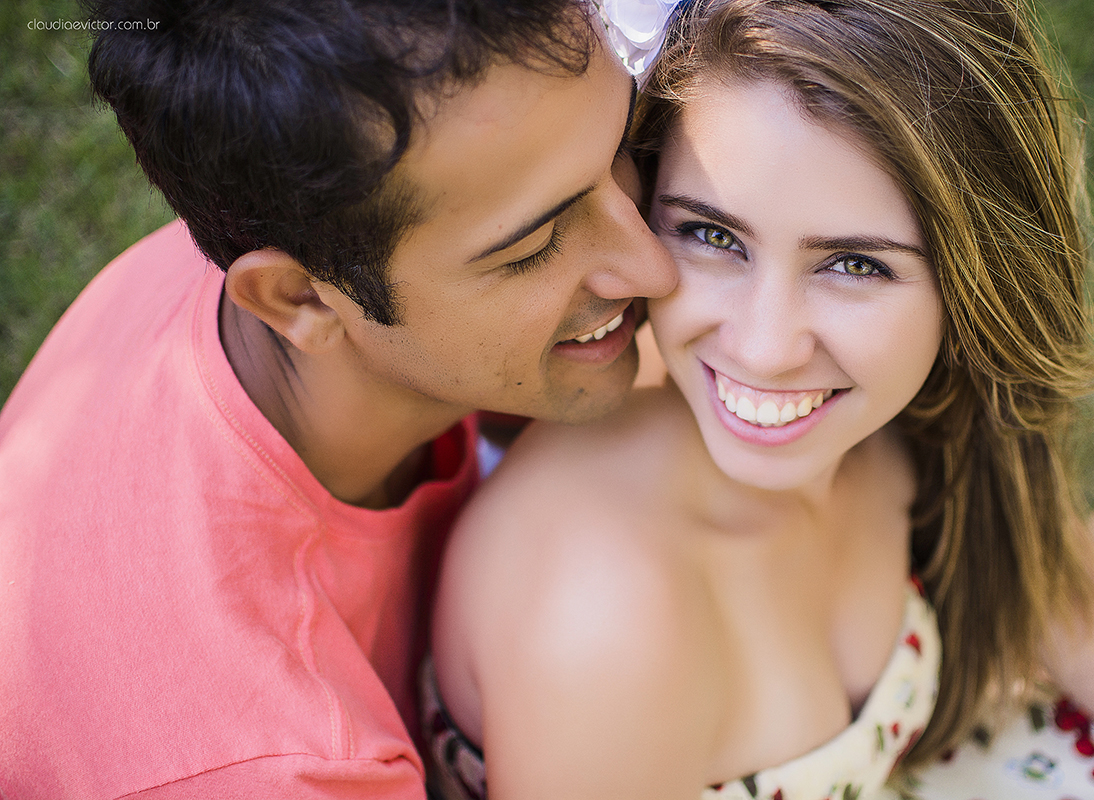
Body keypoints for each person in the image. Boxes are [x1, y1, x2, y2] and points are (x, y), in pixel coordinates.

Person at [423, 0, 1094, 797]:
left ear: (978, 284)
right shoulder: (605, 624)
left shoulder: (933, 428)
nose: (763, 348)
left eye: (855, 265)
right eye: (713, 236)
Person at [0, 0, 677, 796]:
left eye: (627, 145)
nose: (655, 268)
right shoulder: (287, 762)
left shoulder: (298, 219)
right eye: (531, 248)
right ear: (301, 300)